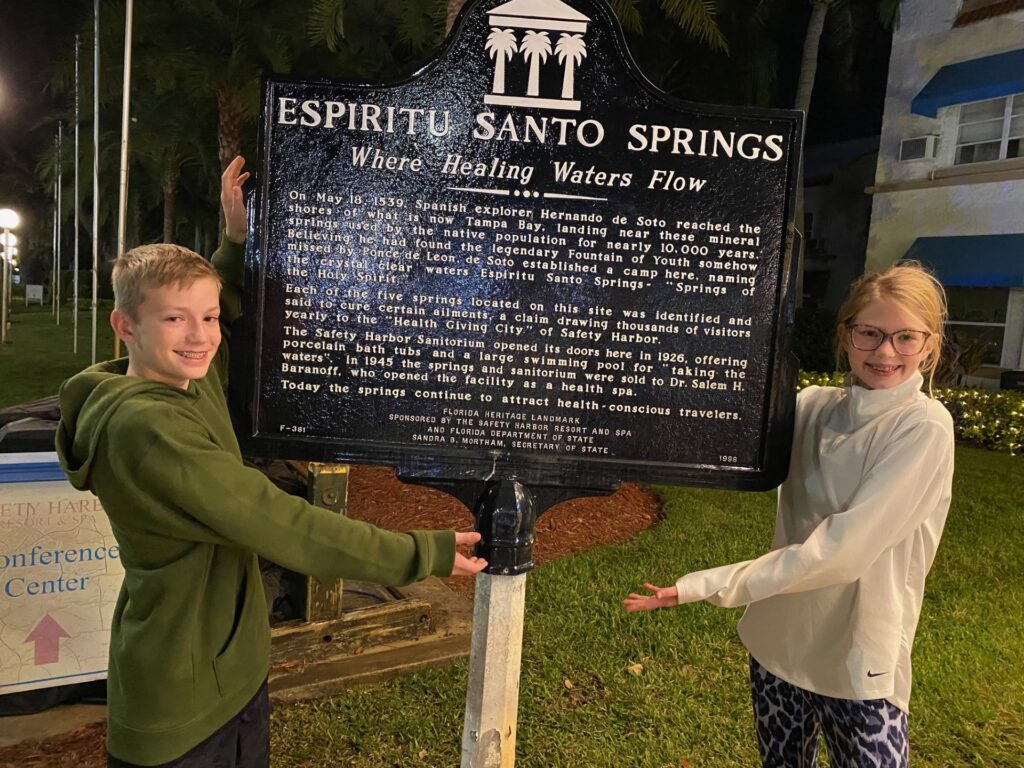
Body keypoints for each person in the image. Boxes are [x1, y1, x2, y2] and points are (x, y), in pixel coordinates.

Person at [56, 156, 487, 768]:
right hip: (180, 702)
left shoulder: (177, 381)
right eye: (175, 319)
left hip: (226, 669)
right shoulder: (146, 429)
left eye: (205, 318)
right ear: (123, 325)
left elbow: (216, 306)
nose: (200, 334)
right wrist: (422, 553)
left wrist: (232, 243)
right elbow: (284, 523)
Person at [624, 263, 955, 768]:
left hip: (857, 654)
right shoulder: (813, 406)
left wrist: (702, 585)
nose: (885, 352)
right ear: (845, 335)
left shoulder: (923, 426)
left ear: (930, 346)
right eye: (870, 332)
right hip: (777, 642)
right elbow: (716, 417)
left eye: (906, 337)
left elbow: (841, 554)